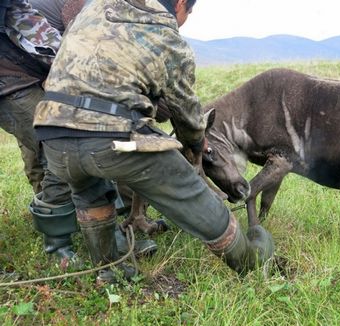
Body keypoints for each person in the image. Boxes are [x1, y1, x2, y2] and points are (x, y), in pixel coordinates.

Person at [34, 0, 274, 282]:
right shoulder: (166, 34)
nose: (187, 18)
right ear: (181, 3)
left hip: (52, 134)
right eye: (190, 12)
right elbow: (186, 112)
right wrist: (195, 143)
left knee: (89, 191)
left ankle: (107, 270)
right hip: (111, 138)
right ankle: (249, 261)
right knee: (188, 190)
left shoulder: (95, 8)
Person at [0, 0, 156, 267]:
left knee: (82, 139)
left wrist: (71, 65)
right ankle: (58, 246)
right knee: (58, 147)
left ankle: (107, 239)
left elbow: (24, 19)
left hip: (24, 70)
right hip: (8, 82)